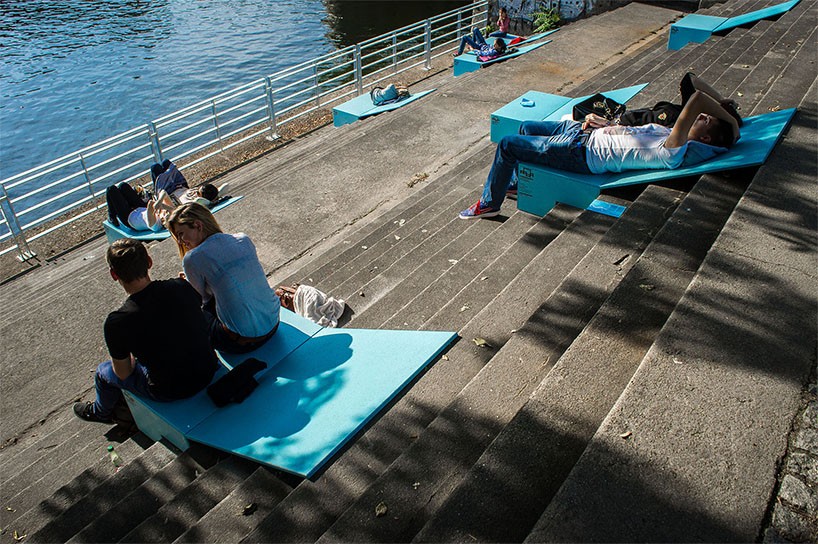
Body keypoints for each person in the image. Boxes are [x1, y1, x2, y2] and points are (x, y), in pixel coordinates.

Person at [459, 89, 740, 219]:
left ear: (705, 138)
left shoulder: (673, 151)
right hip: (584, 133)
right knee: (526, 127)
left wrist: (730, 121)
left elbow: (697, 98)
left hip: (581, 153)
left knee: (508, 144)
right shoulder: (668, 135)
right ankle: (515, 184)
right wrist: (605, 124)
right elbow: (692, 85)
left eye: (706, 119)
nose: (702, 115)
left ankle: (490, 204)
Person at [73, 238, 219, 423]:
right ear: (149, 262)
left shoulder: (117, 322)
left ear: (114, 274)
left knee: (103, 372)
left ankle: (100, 412)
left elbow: (123, 373)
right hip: (208, 369)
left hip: (170, 390)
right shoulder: (181, 286)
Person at [166, 203, 280, 354]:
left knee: (188, 309)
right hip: (273, 323)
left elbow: (202, 300)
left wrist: (187, 284)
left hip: (241, 342)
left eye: (181, 234)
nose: (181, 241)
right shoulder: (243, 239)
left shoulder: (193, 258)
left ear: (198, 225)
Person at [582, 72, 743, 130]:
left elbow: (644, 133)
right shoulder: (689, 109)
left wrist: (608, 124)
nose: (706, 116)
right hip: (618, 117)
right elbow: (690, 78)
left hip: (615, 126)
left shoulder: (683, 126)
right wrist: (721, 99)